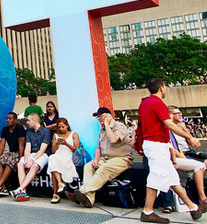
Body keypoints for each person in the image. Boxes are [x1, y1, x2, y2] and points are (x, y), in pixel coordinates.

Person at [137, 78, 206, 222]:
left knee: (172, 179)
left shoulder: (144, 103)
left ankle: (193, 208)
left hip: (154, 144)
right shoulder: (158, 103)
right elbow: (169, 124)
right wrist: (190, 137)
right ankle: (147, 211)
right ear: (161, 87)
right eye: (165, 86)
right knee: (156, 177)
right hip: (157, 145)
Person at [73, 107, 133, 208]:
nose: (99, 118)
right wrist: (96, 160)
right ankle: (89, 199)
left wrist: (107, 124)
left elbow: (113, 139)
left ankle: (83, 190)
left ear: (108, 116)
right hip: (105, 158)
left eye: (101, 116)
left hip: (122, 158)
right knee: (88, 166)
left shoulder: (120, 126)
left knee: (104, 168)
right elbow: (98, 148)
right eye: (98, 117)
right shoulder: (102, 131)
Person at [11, 113, 52, 202]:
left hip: (43, 154)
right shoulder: (29, 131)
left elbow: (42, 150)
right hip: (31, 153)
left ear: (35, 121)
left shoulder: (46, 132)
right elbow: (27, 147)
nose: (27, 122)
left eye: (28, 120)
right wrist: (26, 160)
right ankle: (23, 192)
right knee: (20, 164)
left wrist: (32, 160)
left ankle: (20, 189)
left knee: (34, 166)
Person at [0, 112, 25, 198]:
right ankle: (3, 188)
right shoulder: (5, 129)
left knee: (9, 163)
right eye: (7, 119)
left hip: (18, 152)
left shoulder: (20, 129)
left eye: (10, 119)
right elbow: (2, 145)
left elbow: (21, 145)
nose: (7, 120)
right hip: (11, 152)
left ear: (15, 120)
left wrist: (21, 159)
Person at [47, 117, 80, 203]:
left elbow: (76, 149)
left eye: (63, 127)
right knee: (52, 158)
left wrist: (66, 143)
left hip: (69, 154)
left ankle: (55, 194)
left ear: (67, 126)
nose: (61, 129)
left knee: (53, 167)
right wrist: (56, 143)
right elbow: (53, 151)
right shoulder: (56, 135)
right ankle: (60, 183)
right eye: (59, 127)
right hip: (58, 154)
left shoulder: (73, 134)